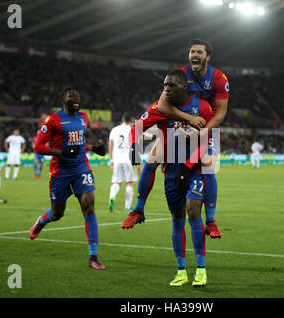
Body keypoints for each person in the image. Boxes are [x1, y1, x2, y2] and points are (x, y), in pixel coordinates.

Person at [122, 39, 229, 239]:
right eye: (192, 52)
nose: (195, 55)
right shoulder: (178, 76)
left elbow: (221, 112)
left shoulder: (218, 79)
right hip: (177, 124)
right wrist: (134, 147)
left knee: (208, 164)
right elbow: (162, 106)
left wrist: (205, 130)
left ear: (208, 57)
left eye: (199, 52)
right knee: (152, 159)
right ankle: (138, 210)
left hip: (207, 125)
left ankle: (211, 221)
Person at [129, 70, 214, 287]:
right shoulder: (159, 109)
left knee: (194, 211)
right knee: (177, 221)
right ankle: (181, 271)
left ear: (184, 87)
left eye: (171, 85)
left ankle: (202, 271)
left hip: (193, 168)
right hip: (171, 170)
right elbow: (137, 128)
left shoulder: (202, 107)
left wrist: (188, 166)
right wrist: (134, 146)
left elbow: (206, 141)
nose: (166, 88)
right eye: (165, 84)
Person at [29, 88, 106, 270]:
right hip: (60, 172)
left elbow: (78, 142)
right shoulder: (53, 120)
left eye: (78, 97)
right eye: (72, 97)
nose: (76, 100)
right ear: (64, 100)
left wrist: (93, 148)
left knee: (89, 206)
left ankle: (93, 257)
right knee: (57, 214)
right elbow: (38, 147)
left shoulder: (84, 118)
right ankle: (41, 221)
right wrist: (61, 152)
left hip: (81, 168)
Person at [108, 112, 138, 213]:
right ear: (131, 120)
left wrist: (111, 159)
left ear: (122, 120)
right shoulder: (132, 130)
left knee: (117, 182)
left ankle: (112, 197)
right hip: (128, 160)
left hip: (117, 159)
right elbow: (135, 147)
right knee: (130, 183)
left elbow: (111, 144)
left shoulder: (114, 129)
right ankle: (127, 207)